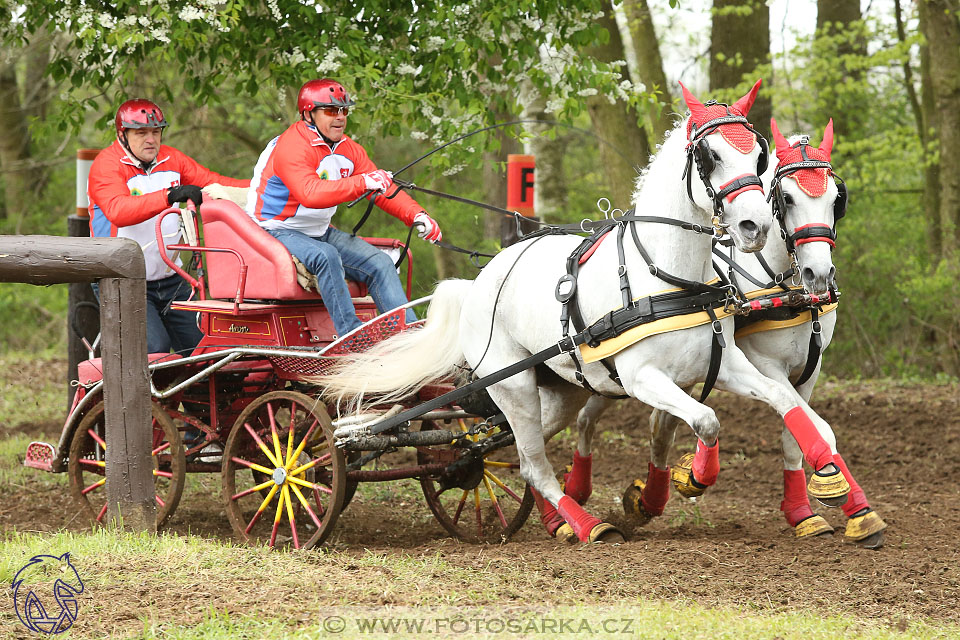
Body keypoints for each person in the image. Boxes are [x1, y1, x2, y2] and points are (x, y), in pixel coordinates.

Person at [245, 78, 442, 338]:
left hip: (318, 230)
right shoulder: (291, 146)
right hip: (275, 230)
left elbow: (382, 189)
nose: (339, 117)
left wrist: (416, 215)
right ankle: (352, 338)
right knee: (326, 256)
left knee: (381, 263)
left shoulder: (348, 148)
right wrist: (362, 182)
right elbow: (310, 193)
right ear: (308, 114)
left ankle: (411, 339)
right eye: (330, 111)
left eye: (344, 110)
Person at [87, 98, 251, 354]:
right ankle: (150, 395)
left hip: (171, 278)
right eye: (141, 133)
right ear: (123, 134)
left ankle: (191, 394)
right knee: (155, 350)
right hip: (122, 280)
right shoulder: (107, 165)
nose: (150, 139)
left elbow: (214, 183)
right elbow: (118, 211)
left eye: (155, 131)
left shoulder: (171, 159)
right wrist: (169, 195)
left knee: (208, 349)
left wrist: (266, 189)